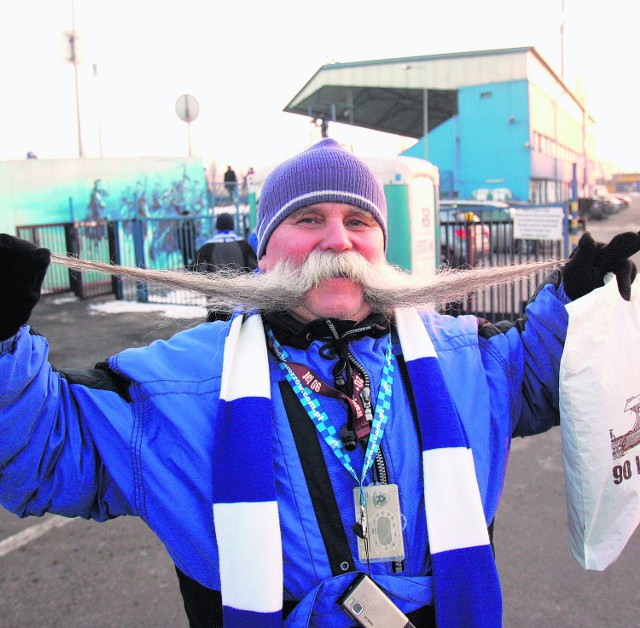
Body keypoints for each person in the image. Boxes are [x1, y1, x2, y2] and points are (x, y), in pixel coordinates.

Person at [0, 138, 638, 628]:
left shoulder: (462, 357)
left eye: (358, 223)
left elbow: (537, 377)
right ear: (263, 249)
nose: (339, 239)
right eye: (309, 219)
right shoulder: (179, 384)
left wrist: (577, 307)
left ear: (381, 248)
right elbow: (47, 454)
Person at [194, 213, 257, 321]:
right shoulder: (244, 245)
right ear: (233, 225)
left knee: (216, 335)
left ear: (216, 226)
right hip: (240, 304)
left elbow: (198, 273)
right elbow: (255, 270)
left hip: (216, 305)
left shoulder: (206, 248)